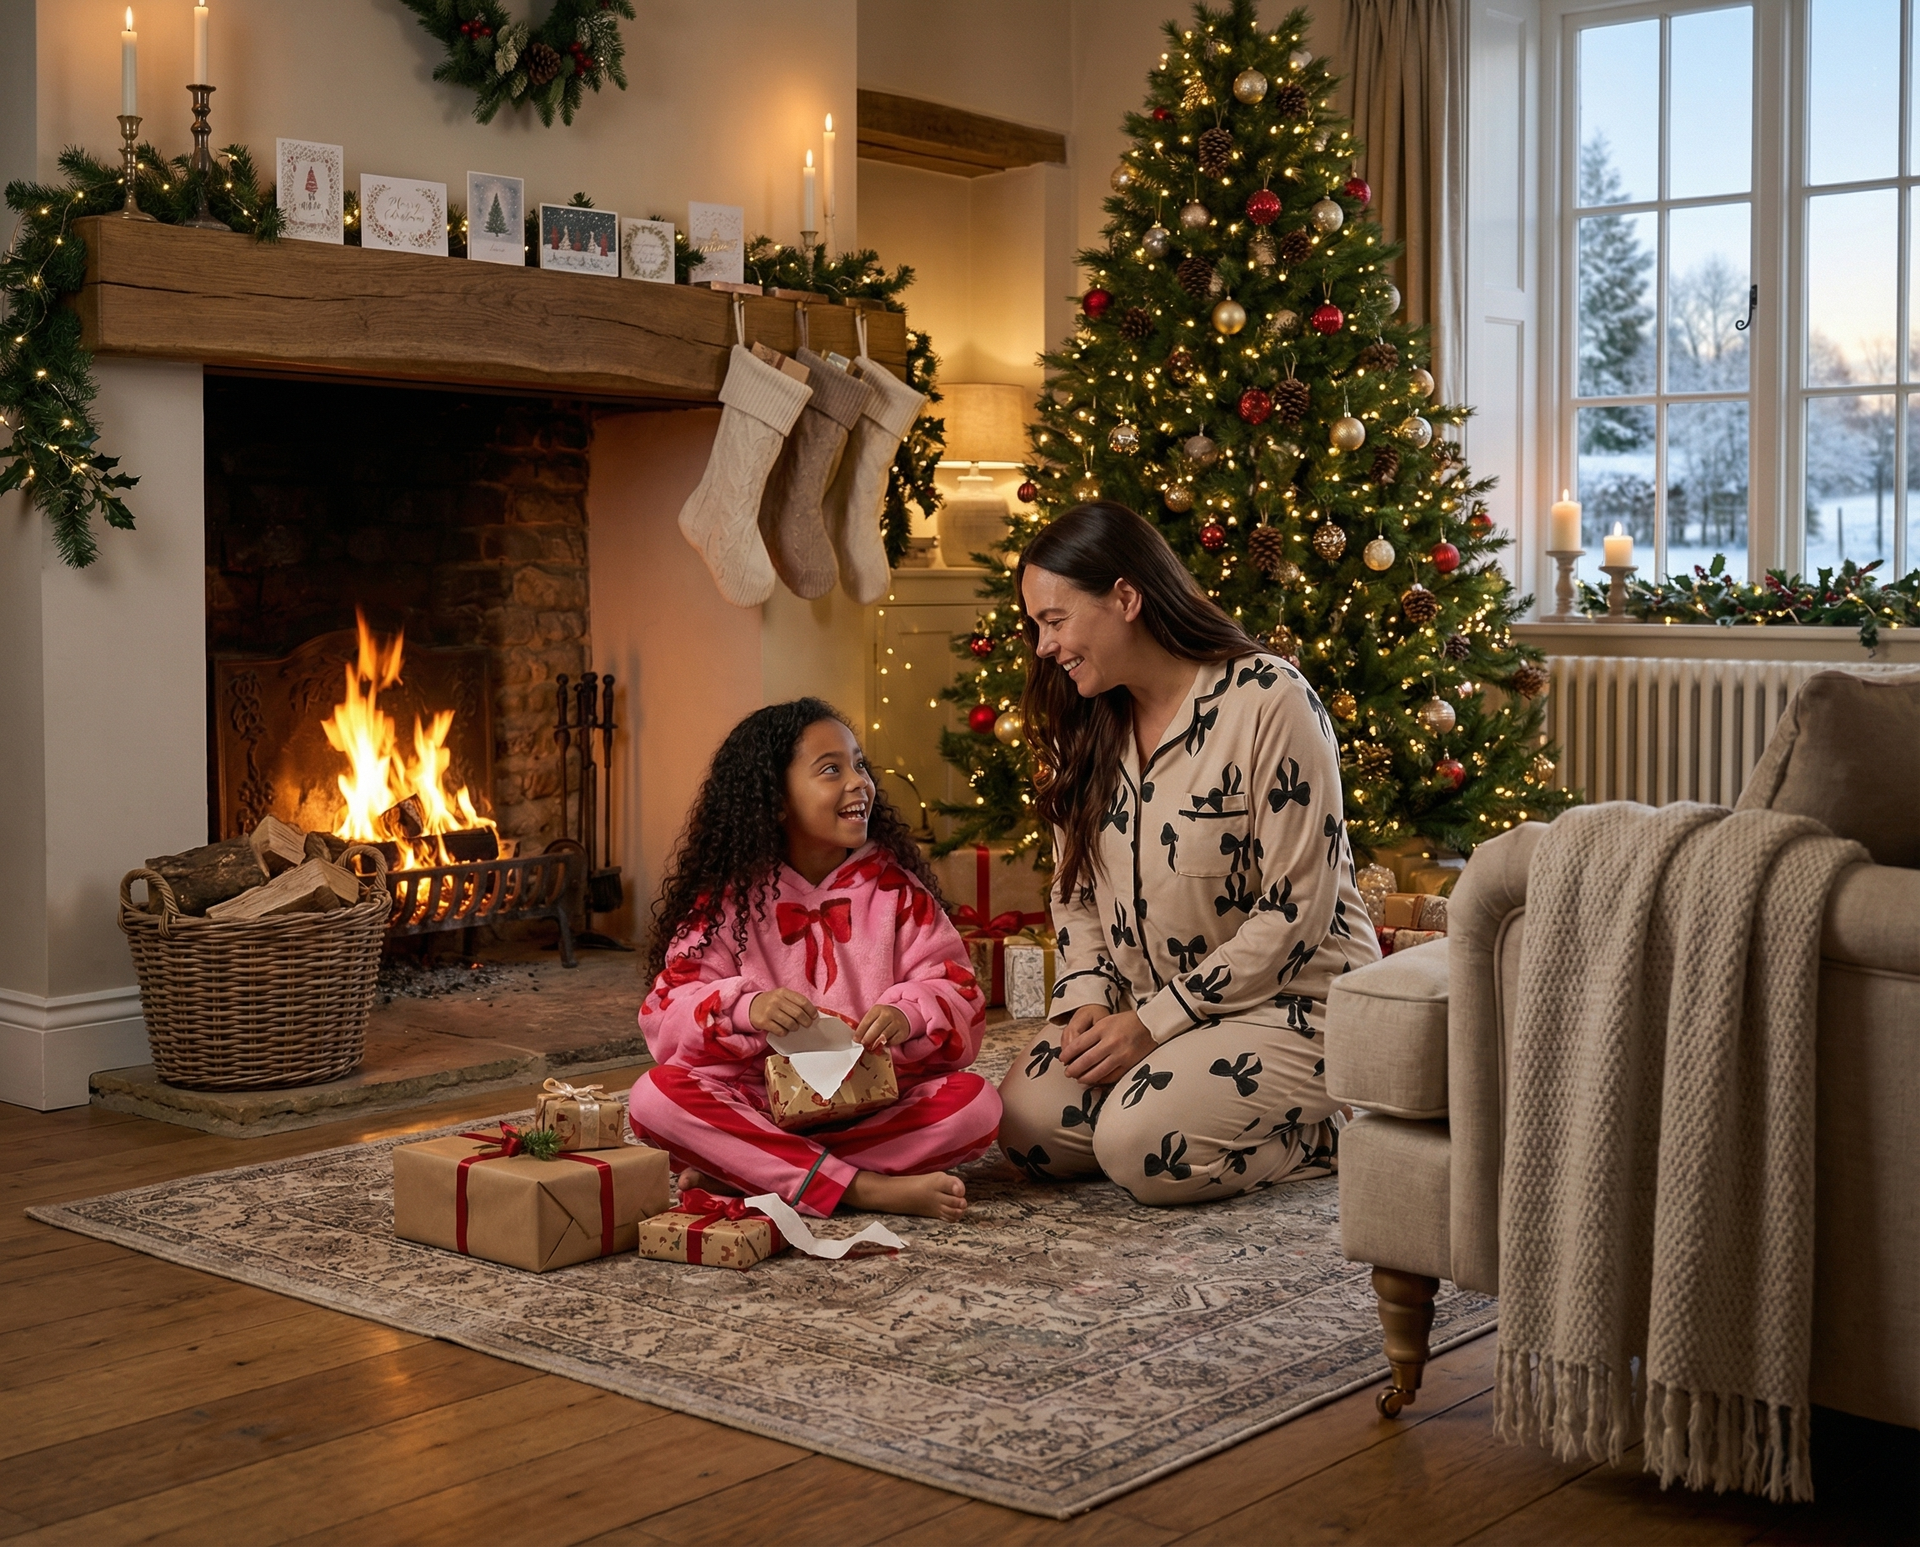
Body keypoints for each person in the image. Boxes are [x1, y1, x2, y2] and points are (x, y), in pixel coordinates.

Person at [997, 502, 1379, 1203]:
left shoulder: (1269, 700)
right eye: (1036, 627)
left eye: (1054, 621)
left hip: (1294, 1003)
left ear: (1125, 597)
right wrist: (1086, 998)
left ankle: (1325, 1130)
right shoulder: (1081, 718)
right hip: (1148, 1007)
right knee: (1030, 1127)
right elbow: (1074, 891)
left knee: (1139, 1149)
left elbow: (1297, 911)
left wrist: (1152, 1025)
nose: (1044, 646)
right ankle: (1179, 1097)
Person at [628, 698, 1000, 1222]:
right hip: (759, 1104)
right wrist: (745, 1010)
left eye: (859, 765)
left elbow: (957, 990)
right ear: (775, 801)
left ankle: (750, 1171)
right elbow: (666, 1011)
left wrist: (909, 1014)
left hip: (874, 1103)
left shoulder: (896, 892)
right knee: (652, 1098)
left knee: (977, 1105)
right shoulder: (726, 901)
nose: (858, 782)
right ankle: (861, 1188)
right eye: (831, 770)